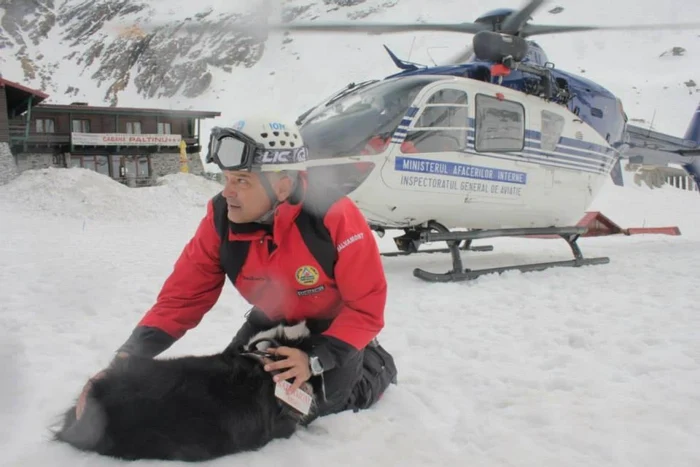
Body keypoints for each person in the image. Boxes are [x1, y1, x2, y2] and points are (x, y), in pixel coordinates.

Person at [75, 116, 398, 425]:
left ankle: (376, 364)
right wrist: (130, 355)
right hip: (272, 317)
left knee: (313, 406)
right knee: (231, 389)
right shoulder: (220, 218)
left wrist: (317, 358)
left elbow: (366, 307)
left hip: (333, 328)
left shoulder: (334, 215)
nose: (227, 192)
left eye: (242, 181)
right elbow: (183, 297)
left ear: (283, 186)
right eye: (227, 179)